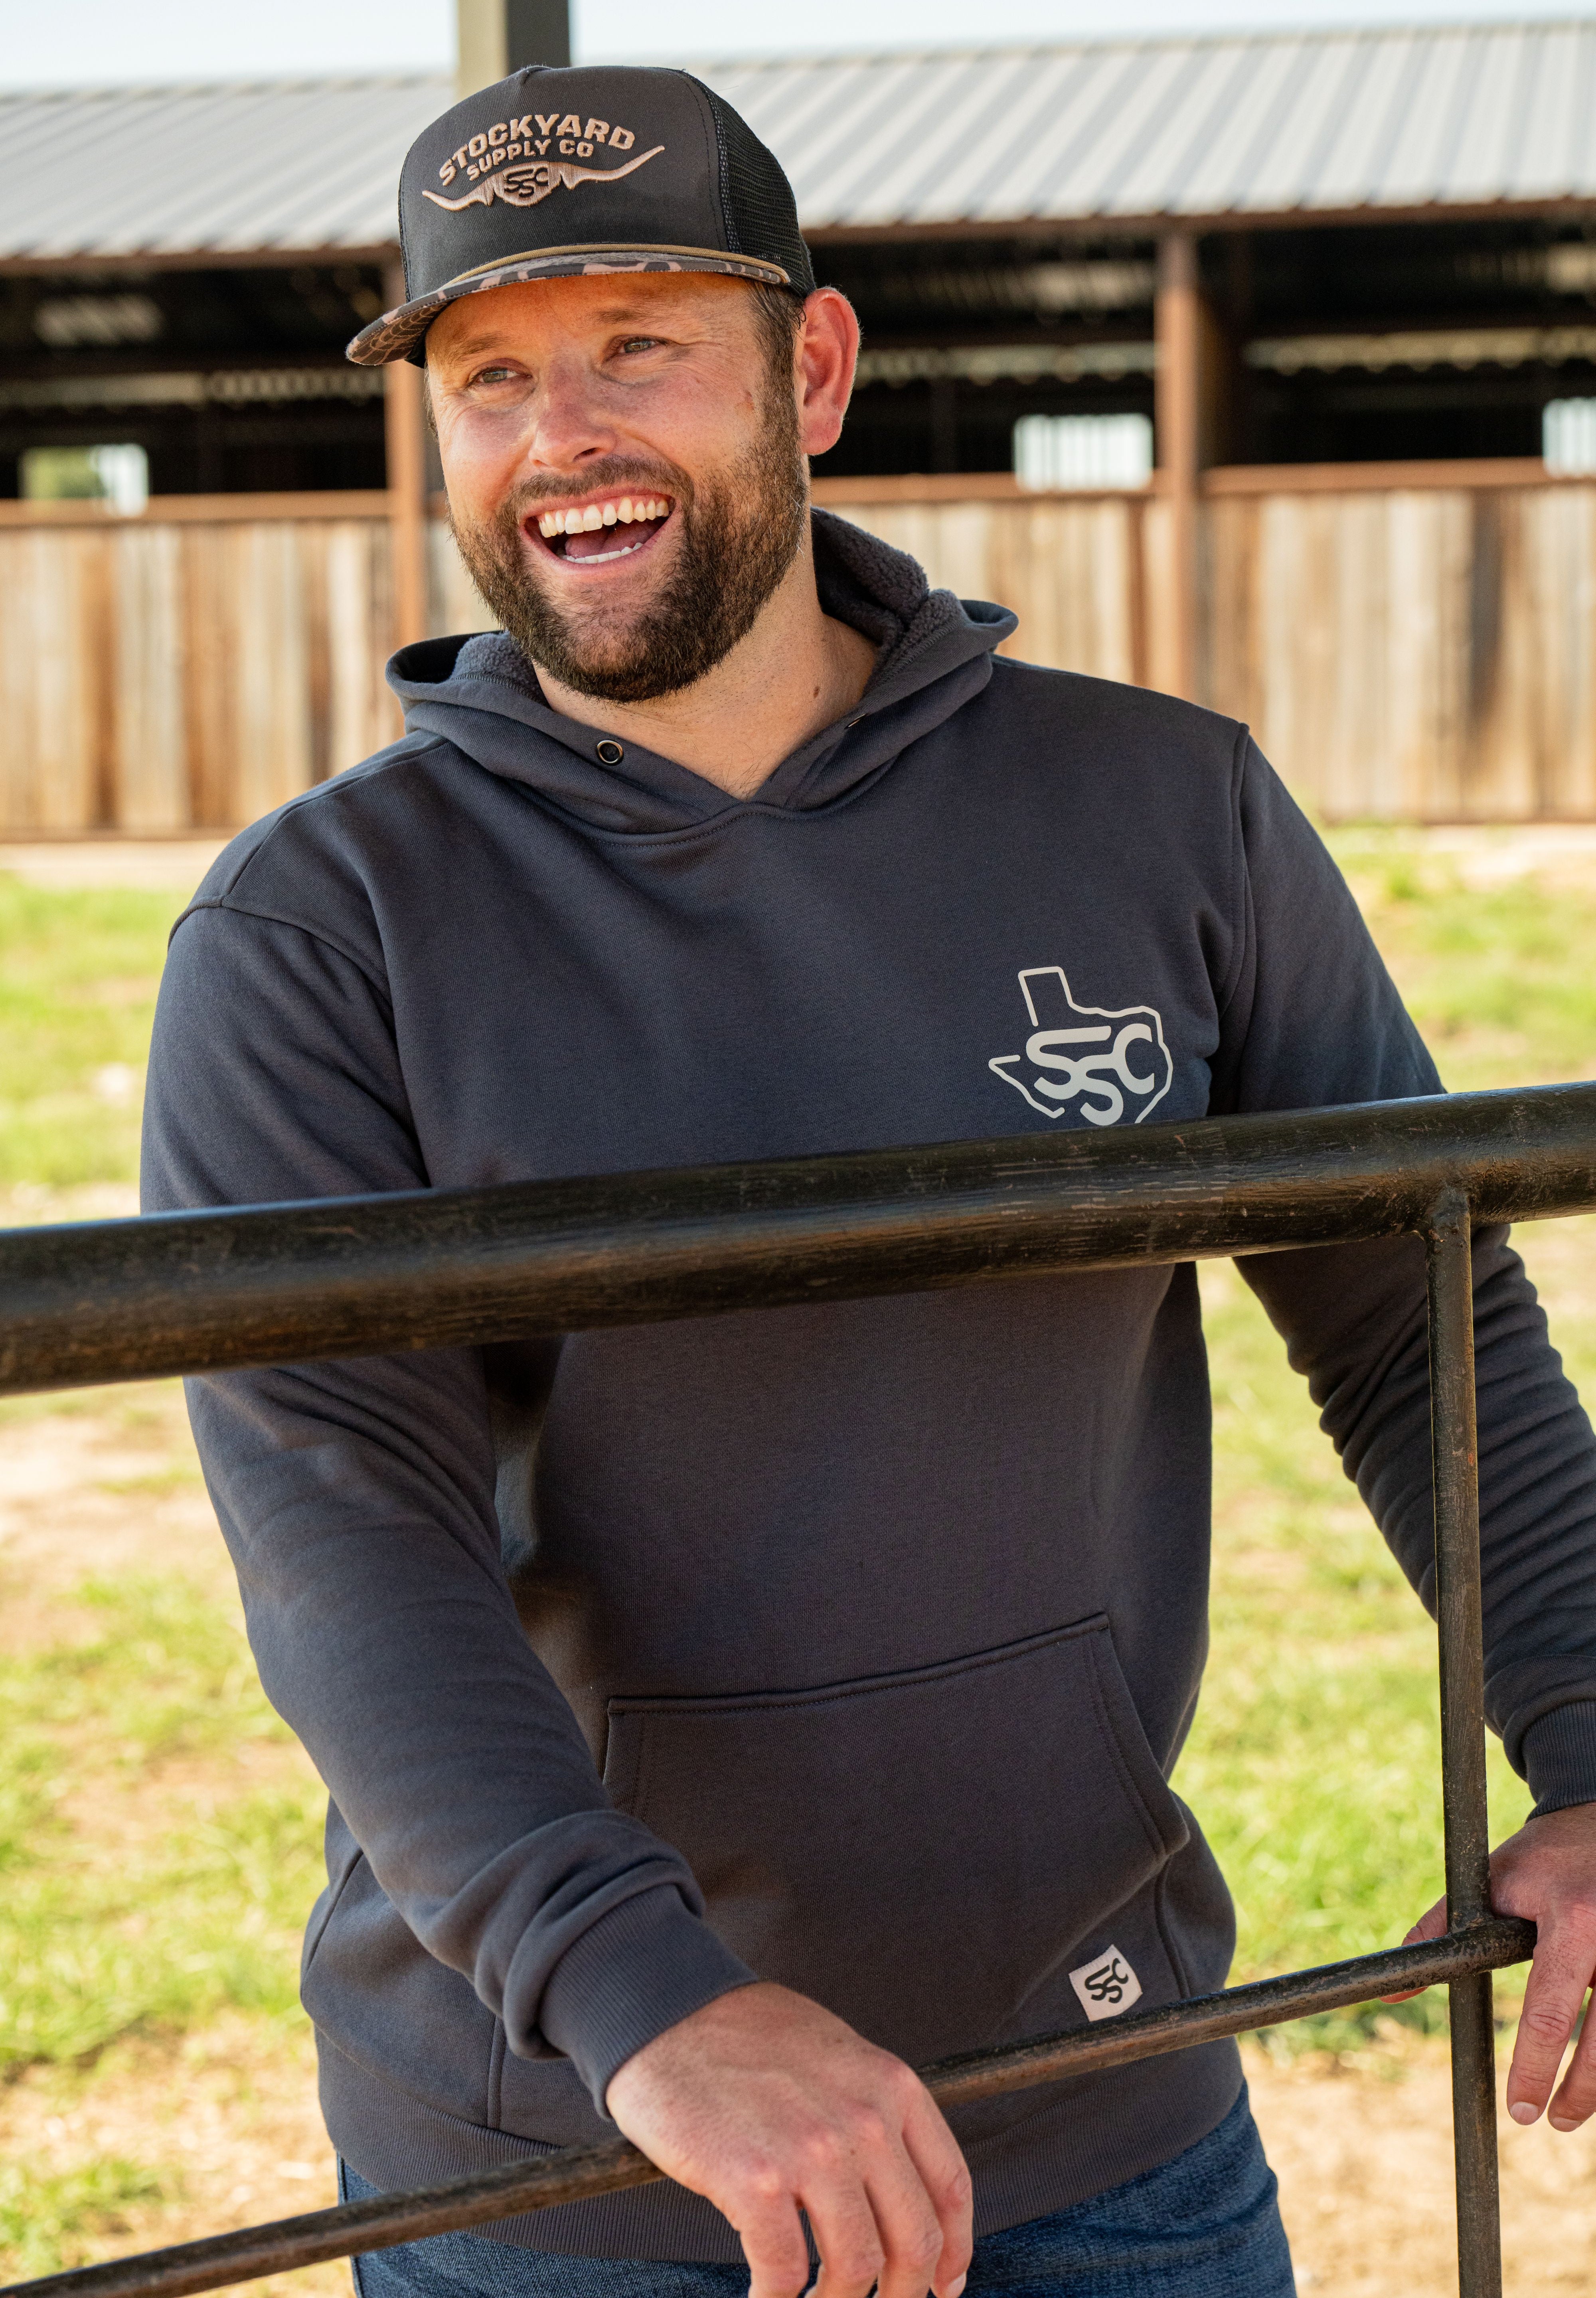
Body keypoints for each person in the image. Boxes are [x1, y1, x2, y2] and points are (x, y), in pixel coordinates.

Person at [141, 62, 1596, 2298]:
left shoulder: (1168, 809)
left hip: (1109, 2108)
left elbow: (1418, 1319)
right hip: (581, 2166)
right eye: (494, 376)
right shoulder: (320, 930)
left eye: (642, 350)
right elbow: (350, 1535)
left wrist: (1594, 1743)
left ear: (812, 368)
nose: (564, 438)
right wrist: (655, 2006)